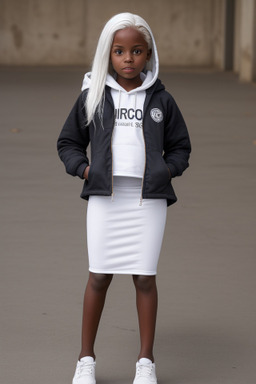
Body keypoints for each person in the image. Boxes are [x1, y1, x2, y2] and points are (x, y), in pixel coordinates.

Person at [57, 12, 191, 384]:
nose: (128, 58)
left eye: (136, 51)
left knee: (144, 278)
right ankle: (86, 360)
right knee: (98, 276)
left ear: (149, 55)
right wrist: (84, 170)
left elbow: (181, 147)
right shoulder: (94, 96)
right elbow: (68, 142)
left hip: (148, 202)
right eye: (119, 51)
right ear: (108, 54)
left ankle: (145, 362)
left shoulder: (162, 100)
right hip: (106, 198)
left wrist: (167, 170)